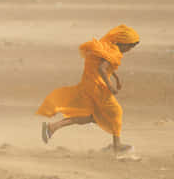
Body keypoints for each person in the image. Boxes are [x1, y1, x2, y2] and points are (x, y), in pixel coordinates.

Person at [37, 25, 140, 153]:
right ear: (123, 43)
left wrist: (116, 78)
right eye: (130, 46)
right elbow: (102, 69)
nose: (130, 49)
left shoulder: (109, 47)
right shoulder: (113, 51)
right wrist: (110, 86)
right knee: (115, 112)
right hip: (97, 87)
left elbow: (105, 66)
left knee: (92, 116)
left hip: (90, 83)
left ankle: (52, 127)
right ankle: (117, 145)